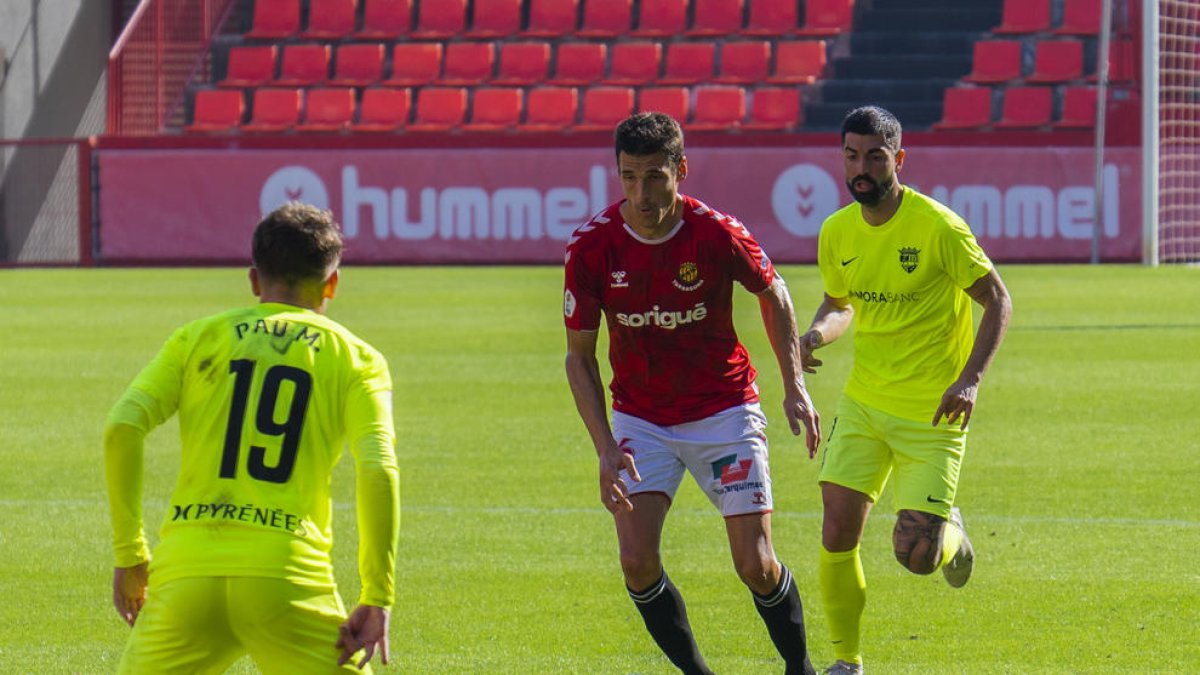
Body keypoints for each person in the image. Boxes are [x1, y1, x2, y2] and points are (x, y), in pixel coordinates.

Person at [563, 111, 822, 675]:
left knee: (755, 565)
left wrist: (794, 384)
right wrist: (605, 447)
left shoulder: (715, 232)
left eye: (655, 176)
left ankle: (800, 668)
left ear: (681, 170)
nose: (641, 194)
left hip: (724, 411)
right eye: (629, 177)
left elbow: (774, 292)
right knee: (636, 561)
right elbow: (578, 357)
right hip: (641, 419)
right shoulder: (592, 247)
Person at [104, 202, 400, 673]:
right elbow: (379, 469)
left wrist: (130, 553)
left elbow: (122, 425)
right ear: (332, 283)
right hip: (287, 578)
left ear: (255, 280)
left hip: (187, 575)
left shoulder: (196, 338)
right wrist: (377, 594)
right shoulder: (357, 358)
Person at [800, 106, 1012, 675]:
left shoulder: (938, 226)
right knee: (837, 528)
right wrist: (816, 334)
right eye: (851, 156)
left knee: (916, 556)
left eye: (874, 156)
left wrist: (970, 380)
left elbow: (998, 300)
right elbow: (840, 303)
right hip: (865, 405)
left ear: (898, 158)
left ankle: (952, 533)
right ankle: (847, 661)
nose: (861, 168)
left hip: (932, 414)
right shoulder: (837, 231)